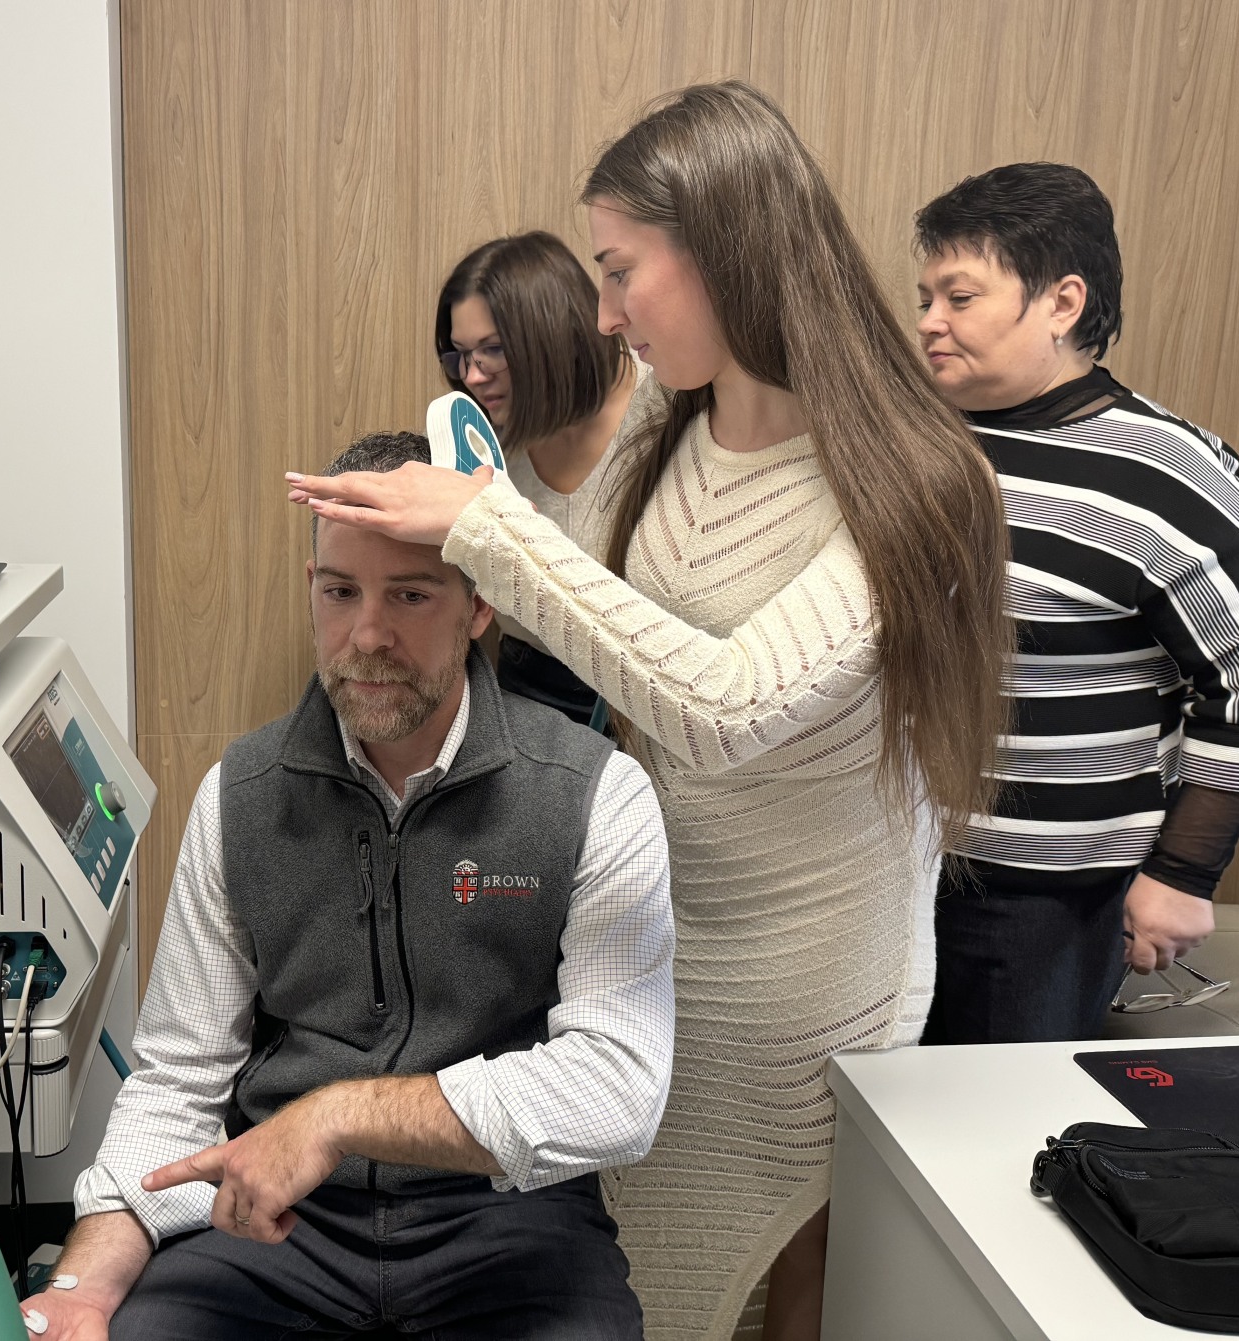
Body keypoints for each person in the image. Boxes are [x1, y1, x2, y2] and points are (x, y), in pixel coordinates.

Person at [288, 82, 1009, 1341]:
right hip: (661, 938)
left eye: (620, 272)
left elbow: (724, 707)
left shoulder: (912, 480)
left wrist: (484, 528)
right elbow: (618, 667)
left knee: (774, 1280)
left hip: (811, 979)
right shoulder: (666, 439)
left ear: (726, 247)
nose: (606, 315)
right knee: (644, 1282)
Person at [22, 431, 676, 1340]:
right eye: (341, 593)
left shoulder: (595, 793)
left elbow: (616, 1086)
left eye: (410, 594)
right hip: (274, 1225)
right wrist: (84, 1284)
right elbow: (179, 1077)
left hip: (505, 1222)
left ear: (480, 601)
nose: (368, 634)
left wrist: (337, 1116)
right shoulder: (239, 796)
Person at [911, 163, 1239, 1045]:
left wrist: (1185, 873)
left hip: (1044, 901)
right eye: (925, 297)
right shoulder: (922, 443)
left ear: (1061, 302)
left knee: (989, 1139)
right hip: (894, 871)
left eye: (959, 296)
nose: (929, 322)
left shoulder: (1169, 472)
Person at [436, 231, 644, 725]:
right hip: (529, 683)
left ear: (550, 336)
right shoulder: (483, 441)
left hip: (646, 690)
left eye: (492, 350)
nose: (471, 375)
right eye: (460, 354)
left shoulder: (662, 409)